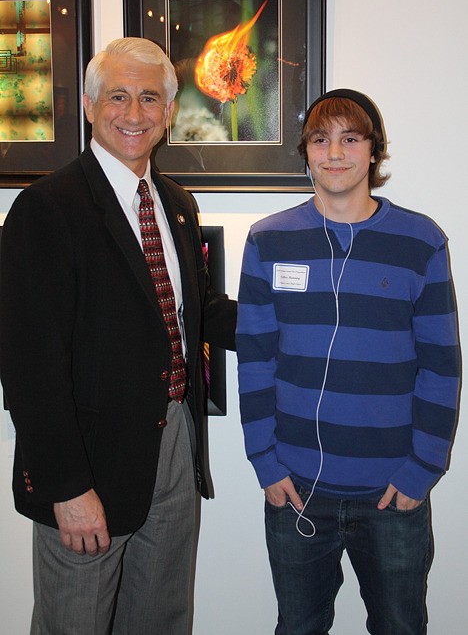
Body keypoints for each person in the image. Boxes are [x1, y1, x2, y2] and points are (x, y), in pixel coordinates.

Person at [0, 37, 237, 635]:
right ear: (87, 104)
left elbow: (192, 313)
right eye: (118, 96)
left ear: (169, 110)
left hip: (174, 448)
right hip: (88, 464)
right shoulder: (44, 208)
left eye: (149, 97)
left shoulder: (177, 205)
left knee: (161, 619)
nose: (134, 114)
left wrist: (290, 321)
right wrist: (67, 487)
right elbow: (29, 362)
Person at [236, 88, 460, 635]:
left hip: (393, 493)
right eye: (320, 139)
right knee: (299, 626)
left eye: (350, 139)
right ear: (306, 152)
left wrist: (421, 469)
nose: (334, 153)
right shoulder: (268, 240)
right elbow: (255, 358)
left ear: (373, 152)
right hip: (296, 490)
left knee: (400, 626)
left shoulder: (422, 240)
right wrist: (264, 462)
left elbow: (442, 366)